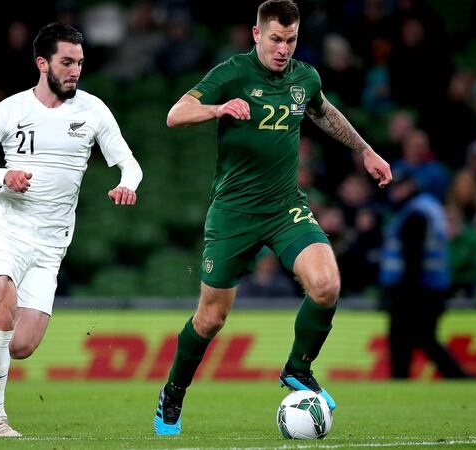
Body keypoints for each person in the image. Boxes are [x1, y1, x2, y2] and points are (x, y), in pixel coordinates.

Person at [154, 0, 391, 436]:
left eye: (292, 39)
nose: (284, 48)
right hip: (233, 213)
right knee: (211, 319)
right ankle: (173, 391)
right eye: (277, 39)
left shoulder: (305, 77)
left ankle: (298, 369)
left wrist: (366, 150)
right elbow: (175, 114)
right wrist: (218, 109)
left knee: (326, 284)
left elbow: (324, 112)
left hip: (285, 207)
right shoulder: (233, 73)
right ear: (257, 34)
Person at [0, 22, 142, 438]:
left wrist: (127, 184)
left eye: (80, 63)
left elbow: (129, 163)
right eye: (66, 62)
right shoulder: (10, 110)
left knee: (21, 345)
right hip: (5, 230)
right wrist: (4, 175)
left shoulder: (94, 110)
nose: (75, 71)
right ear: (42, 63)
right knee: (4, 311)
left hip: (51, 244)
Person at [379, 170, 471, 379]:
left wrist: (401, 292)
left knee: (401, 338)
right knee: (423, 337)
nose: (394, 192)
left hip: (414, 288)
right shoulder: (429, 207)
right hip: (432, 286)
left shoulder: (415, 213)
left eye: (399, 187)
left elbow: (413, 257)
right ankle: (457, 377)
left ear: (411, 187)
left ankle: (402, 380)